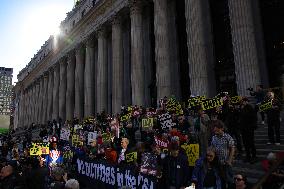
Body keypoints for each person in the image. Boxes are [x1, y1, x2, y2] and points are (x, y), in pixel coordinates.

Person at [211, 120, 235, 189]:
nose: (215, 131)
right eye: (214, 130)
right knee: (221, 181)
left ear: (222, 128)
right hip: (218, 163)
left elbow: (232, 148)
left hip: (226, 163)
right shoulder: (214, 137)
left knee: (230, 180)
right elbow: (212, 147)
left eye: (217, 130)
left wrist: (229, 160)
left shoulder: (227, 137)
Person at [239, 97, 257, 163]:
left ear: (246, 101)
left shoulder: (250, 107)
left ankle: (254, 157)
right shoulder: (242, 108)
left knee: (251, 143)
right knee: (245, 143)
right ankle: (248, 156)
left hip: (249, 128)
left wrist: (253, 126)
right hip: (243, 129)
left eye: (243, 101)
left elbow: (254, 117)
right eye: (242, 101)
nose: (242, 102)